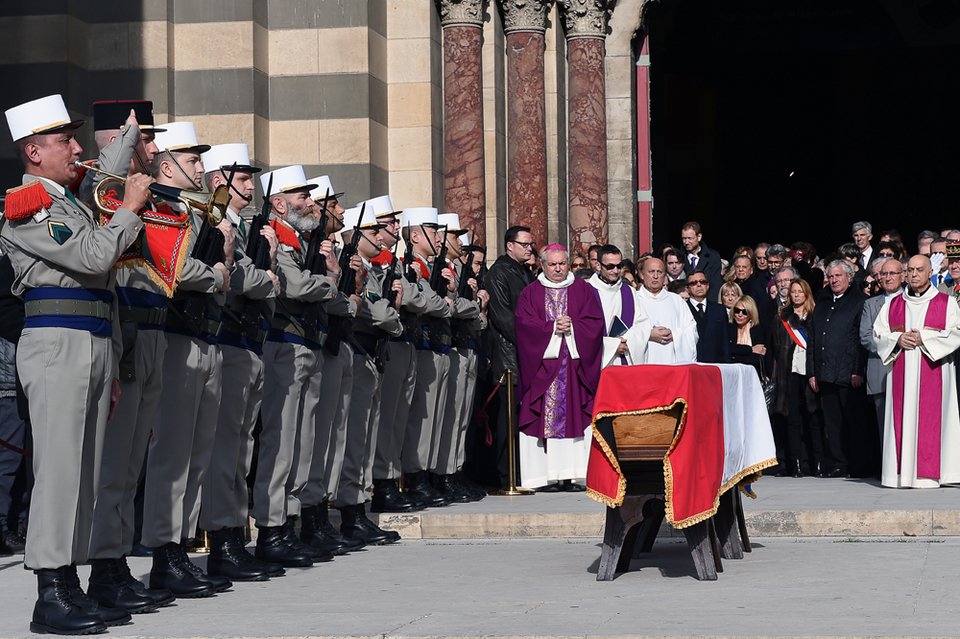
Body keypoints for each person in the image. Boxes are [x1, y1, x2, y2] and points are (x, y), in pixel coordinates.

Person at [2, 94, 149, 634]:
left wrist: (129, 140)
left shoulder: (68, 201)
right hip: (56, 342)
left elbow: (101, 286)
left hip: (90, 339)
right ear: (33, 151)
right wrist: (130, 210)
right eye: (65, 140)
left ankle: (72, 582)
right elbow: (91, 257)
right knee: (60, 472)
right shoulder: (28, 204)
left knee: (85, 471)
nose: (77, 148)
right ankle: (50, 591)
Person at [197, 143, 282, 581]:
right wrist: (262, 278)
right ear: (219, 182)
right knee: (227, 448)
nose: (251, 186)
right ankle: (222, 541)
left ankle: (232, 536)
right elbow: (241, 278)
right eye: (243, 179)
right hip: (227, 339)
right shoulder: (215, 222)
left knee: (240, 448)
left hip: (245, 342)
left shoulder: (237, 225)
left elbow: (258, 279)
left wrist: (261, 278)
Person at [515, 244, 603, 491]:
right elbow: (523, 325)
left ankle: (574, 475)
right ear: (542, 265)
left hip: (573, 367)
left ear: (569, 264)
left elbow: (596, 324)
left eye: (562, 264)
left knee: (575, 415)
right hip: (543, 367)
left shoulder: (582, 290)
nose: (557, 269)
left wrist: (573, 328)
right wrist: (552, 328)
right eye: (552, 264)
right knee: (541, 415)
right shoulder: (531, 292)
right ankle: (544, 477)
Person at [874, 255, 960, 488]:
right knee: (902, 417)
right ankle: (900, 475)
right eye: (910, 270)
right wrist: (898, 338)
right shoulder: (893, 304)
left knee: (933, 420)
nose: (913, 274)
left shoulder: (946, 302)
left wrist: (925, 338)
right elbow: (878, 334)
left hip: (935, 369)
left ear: (930, 271)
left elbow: (956, 333)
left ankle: (934, 474)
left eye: (919, 270)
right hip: (901, 369)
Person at [807, 260, 872, 478]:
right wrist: (812, 372)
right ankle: (837, 463)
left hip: (849, 374)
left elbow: (859, 340)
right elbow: (813, 339)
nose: (834, 280)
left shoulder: (860, 301)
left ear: (849, 277)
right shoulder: (822, 303)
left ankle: (858, 464)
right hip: (825, 373)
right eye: (831, 276)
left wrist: (858, 370)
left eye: (838, 276)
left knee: (854, 423)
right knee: (832, 424)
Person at [485, 226, 536, 489]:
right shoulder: (499, 272)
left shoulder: (524, 271)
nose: (530, 248)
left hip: (523, 353)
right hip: (509, 356)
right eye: (525, 244)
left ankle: (521, 471)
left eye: (531, 244)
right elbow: (503, 316)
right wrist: (531, 341)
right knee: (506, 419)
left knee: (519, 417)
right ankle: (506, 476)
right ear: (510, 246)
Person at [771, 279, 823, 477]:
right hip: (789, 373)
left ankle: (817, 463)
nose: (796, 295)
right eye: (793, 292)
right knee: (792, 420)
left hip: (810, 374)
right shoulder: (782, 318)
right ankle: (797, 464)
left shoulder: (815, 316)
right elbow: (776, 347)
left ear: (806, 293)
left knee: (813, 418)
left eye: (800, 291)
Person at [860, 257, 903, 444]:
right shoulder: (871, 304)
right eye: (883, 274)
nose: (887, 277)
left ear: (903, 276)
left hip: (907, 367)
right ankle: (887, 472)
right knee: (883, 427)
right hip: (879, 369)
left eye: (892, 273)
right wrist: (894, 345)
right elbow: (866, 337)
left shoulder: (914, 302)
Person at [588, 244, 651, 367]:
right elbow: (582, 331)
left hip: (626, 357)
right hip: (599, 365)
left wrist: (629, 342)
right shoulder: (587, 292)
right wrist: (612, 346)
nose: (616, 271)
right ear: (598, 265)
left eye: (619, 266)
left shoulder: (629, 292)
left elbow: (643, 325)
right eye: (610, 266)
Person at [637, 257, 698, 363]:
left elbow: (691, 331)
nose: (655, 276)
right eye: (651, 272)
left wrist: (673, 334)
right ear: (642, 275)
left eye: (659, 272)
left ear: (665, 276)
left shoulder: (676, 300)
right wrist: (648, 335)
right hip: (644, 365)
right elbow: (625, 333)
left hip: (671, 363)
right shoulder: (633, 299)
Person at [685, 270, 730, 364]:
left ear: (708, 285)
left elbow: (724, 341)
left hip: (715, 366)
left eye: (703, 282)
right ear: (687, 288)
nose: (699, 285)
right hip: (690, 365)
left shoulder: (719, 310)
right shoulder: (682, 309)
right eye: (693, 283)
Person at [727, 295, 767, 378]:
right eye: (737, 310)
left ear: (751, 313)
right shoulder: (728, 328)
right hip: (732, 375)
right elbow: (727, 350)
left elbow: (757, 357)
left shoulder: (757, 330)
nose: (740, 314)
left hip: (753, 376)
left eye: (744, 312)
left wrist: (737, 353)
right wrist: (750, 349)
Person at [680, 221, 722, 294]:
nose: (686, 242)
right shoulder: (678, 256)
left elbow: (716, 286)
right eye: (684, 238)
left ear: (699, 237)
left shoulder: (713, 257)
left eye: (690, 238)